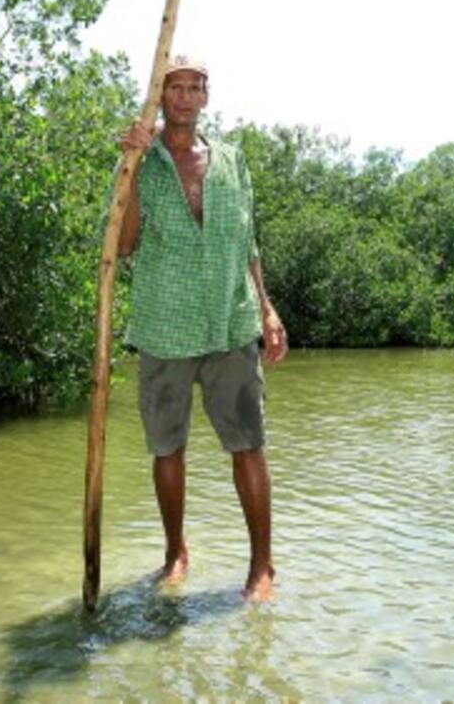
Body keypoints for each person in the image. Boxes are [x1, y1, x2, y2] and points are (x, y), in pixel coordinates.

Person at [115, 54, 287, 602]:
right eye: (175, 87)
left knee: (249, 445)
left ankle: (262, 568)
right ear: (160, 96)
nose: (185, 97)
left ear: (207, 98)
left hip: (230, 322)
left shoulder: (232, 161)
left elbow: (248, 242)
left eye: (195, 88)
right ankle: (175, 553)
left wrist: (267, 308)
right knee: (167, 450)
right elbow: (122, 244)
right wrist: (134, 169)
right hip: (165, 325)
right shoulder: (137, 160)